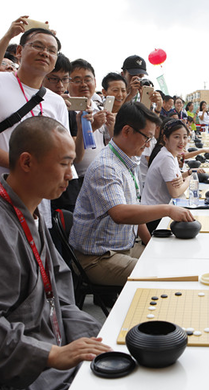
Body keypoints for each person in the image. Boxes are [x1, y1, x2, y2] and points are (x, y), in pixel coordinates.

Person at [0, 117, 109, 390]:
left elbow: (59, 298)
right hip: (17, 381)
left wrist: (98, 340)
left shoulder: (30, 212)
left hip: (52, 360)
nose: (71, 174)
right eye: (63, 163)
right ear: (26, 162)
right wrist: (51, 355)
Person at [70, 102, 194, 286]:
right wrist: (167, 209)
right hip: (98, 257)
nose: (147, 145)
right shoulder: (106, 166)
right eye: (147, 138)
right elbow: (120, 214)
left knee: (171, 259)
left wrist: (150, 244)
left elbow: (135, 210)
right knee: (160, 276)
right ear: (127, 131)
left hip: (123, 247)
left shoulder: (127, 160)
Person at [0, 27, 72, 228]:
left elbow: (62, 152)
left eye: (52, 50)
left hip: (37, 201)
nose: (45, 52)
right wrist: (18, 165)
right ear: (19, 51)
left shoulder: (57, 102)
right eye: (38, 46)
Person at [142, 119, 203, 232]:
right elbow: (175, 192)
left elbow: (176, 179)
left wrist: (187, 174)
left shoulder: (170, 154)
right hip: (155, 217)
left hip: (159, 210)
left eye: (185, 137)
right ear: (165, 138)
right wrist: (189, 180)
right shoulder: (166, 158)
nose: (182, 141)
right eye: (176, 137)